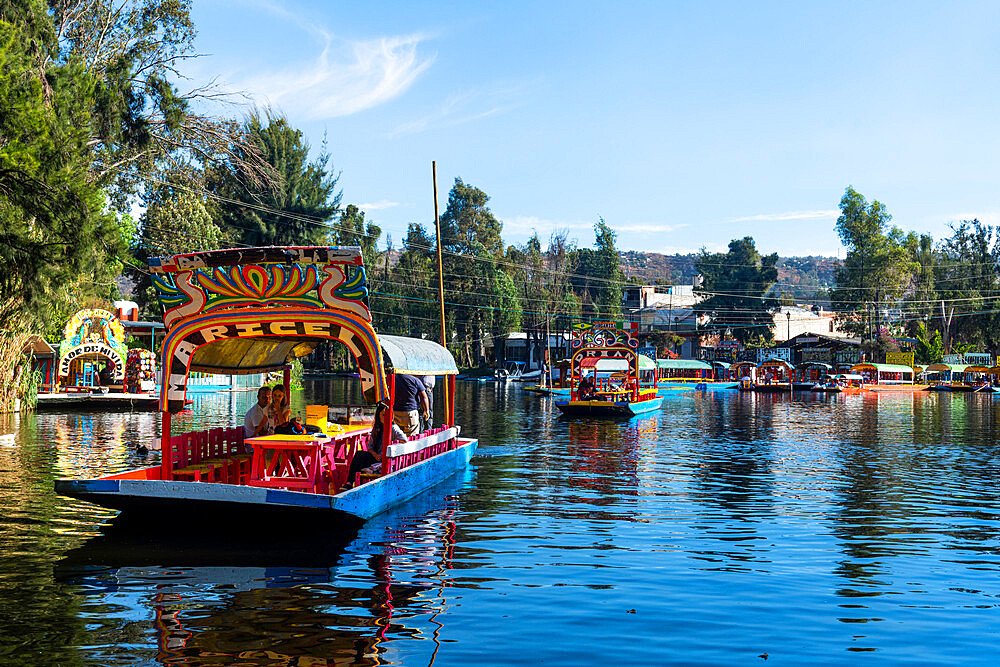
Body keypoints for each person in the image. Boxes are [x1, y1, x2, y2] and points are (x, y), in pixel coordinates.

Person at [342, 402, 406, 490]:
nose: (386, 417)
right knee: (359, 455)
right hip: (377, 457)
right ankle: (349, 482)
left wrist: (392, 448)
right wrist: (376, 455)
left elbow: (404, 441)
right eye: (383, 415)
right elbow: (370, 447)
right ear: (379, 417)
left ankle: (357, 483)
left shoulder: (393, 428)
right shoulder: (377, 429)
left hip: (389, 458)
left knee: (361, 459)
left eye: (387, 415)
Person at [393, 373, 428, 437]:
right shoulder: (415, 380)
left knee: (397, 437)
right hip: (410, 413)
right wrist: (426, 410)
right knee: (411, 437)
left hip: (395, 412)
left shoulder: (393, 379)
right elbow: (424, 396)